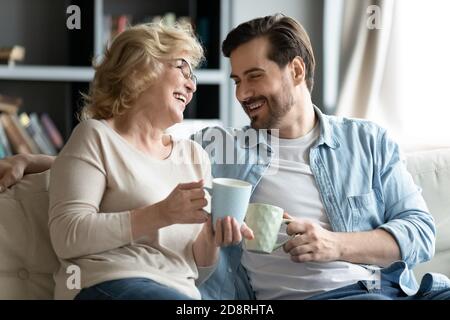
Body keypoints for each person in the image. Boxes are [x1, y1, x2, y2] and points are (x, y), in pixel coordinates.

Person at [2, 14, 450, 300]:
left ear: (296, 70)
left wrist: (336, 244)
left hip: (398, 288)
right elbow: (128, 155)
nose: (242, 94)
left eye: (253, 77)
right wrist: (32, 161)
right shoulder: (227, 148)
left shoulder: (367, 141)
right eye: (236, 80)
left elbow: (420, 233)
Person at [0, 22, 252, 300]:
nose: (192, 84)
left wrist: (212, 239)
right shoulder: (95, 136)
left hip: (181, 294)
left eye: (193, 75)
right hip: (106, 283)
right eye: (181, 67)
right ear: (140, 68)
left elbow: (194, 269)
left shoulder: (194, 156)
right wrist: (160, 214)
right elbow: (67, 236)